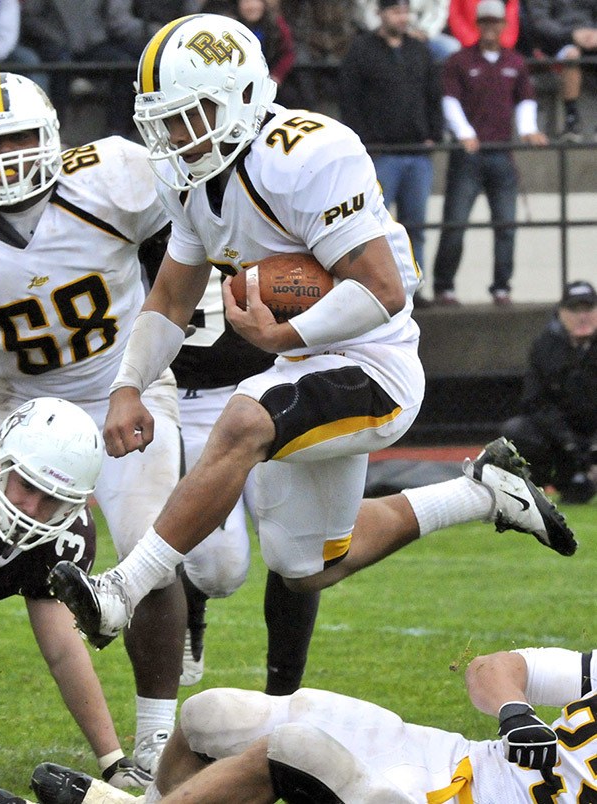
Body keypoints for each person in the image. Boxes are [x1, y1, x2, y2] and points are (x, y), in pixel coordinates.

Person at [45, 13, 575, 653]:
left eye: (191, 115)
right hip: (301, 362)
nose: (177, 136)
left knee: (243, 421)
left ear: (243, 96)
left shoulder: (307, 152)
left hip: (374, 362)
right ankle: (478, 494)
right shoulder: (189, 178)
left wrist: (282, 337)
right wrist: (128, 384)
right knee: (306, 569)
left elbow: (383, 290)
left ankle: (119, 593)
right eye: (166, 119)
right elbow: (170, 297)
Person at [0, 72, 184, 776]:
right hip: (16, 400)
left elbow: (183, 247)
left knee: (151, 554)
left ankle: (152, 744)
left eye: (18, 138)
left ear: (55, 135)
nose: (4, 158)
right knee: (35, 568)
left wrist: (166, 347)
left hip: (125, 386)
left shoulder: (112, 177)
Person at [0, 643, 597, 803]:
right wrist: (516, 714)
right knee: (211, 716)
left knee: (296, 750)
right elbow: (495, 667)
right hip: (442, 754)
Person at [145, 267, 320, 692]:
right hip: (189, 398)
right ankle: (193, 600)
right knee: (219, 570)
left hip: (275, 379)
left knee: (301, 550)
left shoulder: (282, 204)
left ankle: (283, 695)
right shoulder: (152, 210)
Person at [0, 397, 151, 790]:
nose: (32, 509)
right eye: (27, 486)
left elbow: (64, 650)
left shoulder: (66, 538)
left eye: (53, 499)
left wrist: (112, 761)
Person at [431, 0, 548, 307]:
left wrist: (528, 129)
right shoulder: (458, 61)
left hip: (502, 153)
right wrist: (465, 134)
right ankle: (444, 286)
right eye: (486, 23)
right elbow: (450, 101)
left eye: (497, 22)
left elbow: (525, 100)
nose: (491, 28)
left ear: (504, 25)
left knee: (506, 226)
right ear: (478, 25)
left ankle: (501, 286)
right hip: (469, 156)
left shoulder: (515, 62)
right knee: (455, 224)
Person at [339, 0, 444, 299]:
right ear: (381, 14)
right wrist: (365, 141)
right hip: (380, 153)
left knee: (416, 227)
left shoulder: (419, 50)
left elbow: (433, 94)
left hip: (416, 152)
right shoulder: (361, 51)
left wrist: (433, 134)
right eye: (396, 11)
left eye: (405, 11)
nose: (402, 17)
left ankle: (415, 288)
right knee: (373, 227)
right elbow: (350, 99)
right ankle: (377, 289)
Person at [502, 280, 597, 504]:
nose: (582, 317)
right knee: (517, 430)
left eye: (589, 309)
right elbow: (534, 402)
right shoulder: (544, 347)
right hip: (560, 439)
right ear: (561, 313)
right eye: (574, 310)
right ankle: (536, 487)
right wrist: (568, 442)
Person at [20, 0, 157, 138]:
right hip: (55, 45)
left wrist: (96, 35)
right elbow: (30, 17)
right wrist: (55, 37)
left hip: (92, 45)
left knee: (125, 64)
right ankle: (57, 132)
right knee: (61, 65)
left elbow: (113, 19)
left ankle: (116, 130)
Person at [527, 0, 597, 142]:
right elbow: (539, 21)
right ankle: (571, 120)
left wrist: (594, 34)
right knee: (571, 55)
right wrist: (571, 34)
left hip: (592, 37)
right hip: (557, 42)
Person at [0, 0, 47, 93]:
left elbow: (7, 37)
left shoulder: (8, 2)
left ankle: (39, 104)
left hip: (1, 49)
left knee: (29, 59)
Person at [230, 0, 296, 91]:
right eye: (246, 1)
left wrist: (276, 76)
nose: (252, 6)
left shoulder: (276, 25)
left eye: (256, 1)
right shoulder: (230, 27)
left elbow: (288, 53)